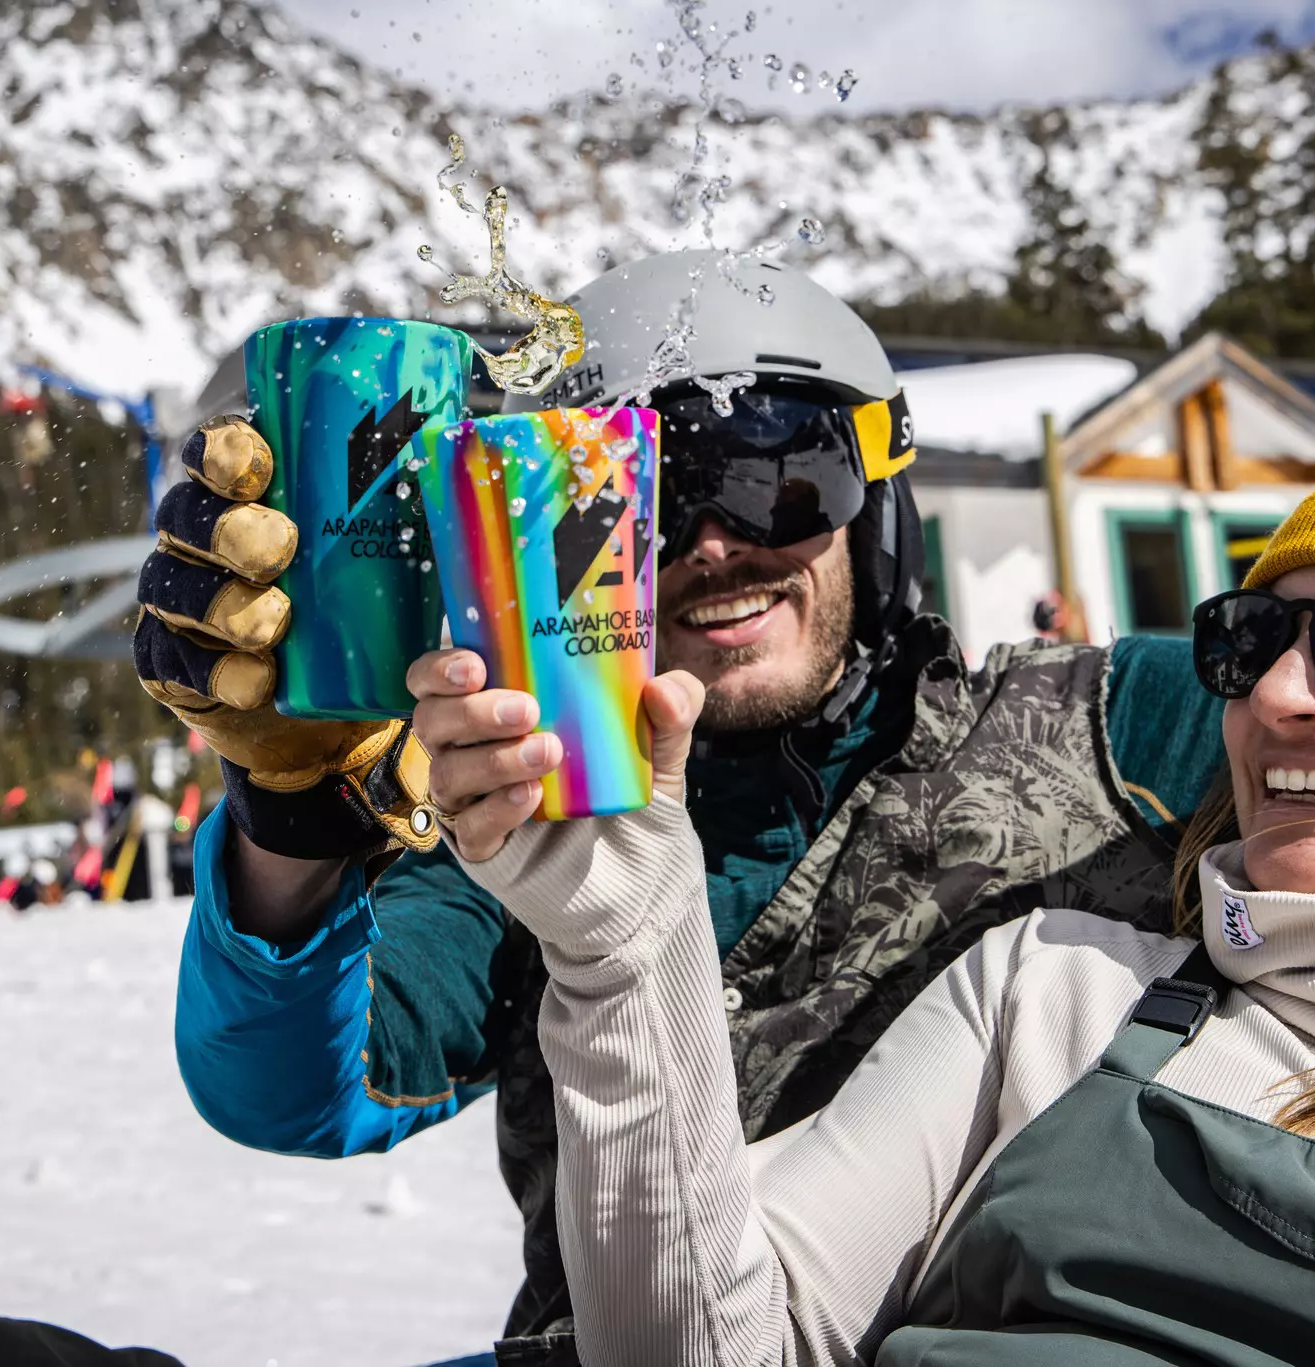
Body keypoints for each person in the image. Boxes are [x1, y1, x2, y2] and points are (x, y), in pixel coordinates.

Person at [132, 250, 1228, 1363]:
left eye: (781, 477)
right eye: (634, 498)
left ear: (876, 500)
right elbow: (292, 1091)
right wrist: (294, 820)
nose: (712, 541)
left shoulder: (1109, 730)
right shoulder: (541, 826)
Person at [443, 451, 1315, 1365]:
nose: (1277, 692)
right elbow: (705, 1345)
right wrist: (620, 941)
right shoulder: (1055, 984)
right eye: (1250, 639)